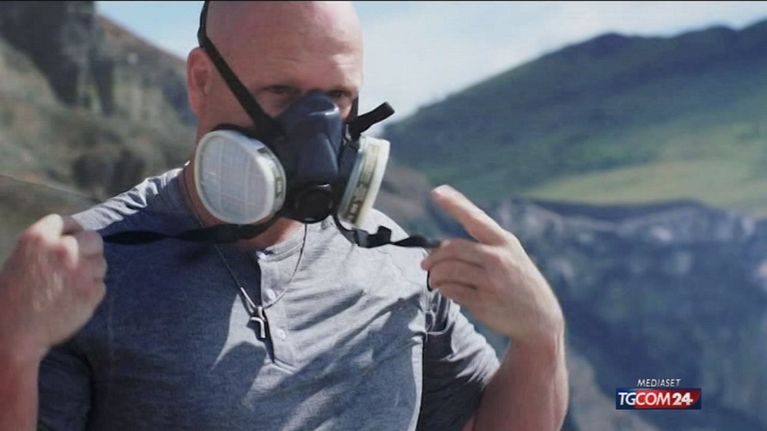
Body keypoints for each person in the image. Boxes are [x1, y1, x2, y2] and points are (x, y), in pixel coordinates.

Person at [1, 2, 567, 430]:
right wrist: (13, 348)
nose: (316, 127)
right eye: (282, 91)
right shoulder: (87, 272)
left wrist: (541, 337)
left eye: (337, 98)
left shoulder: (396, 260)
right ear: (201, 82)